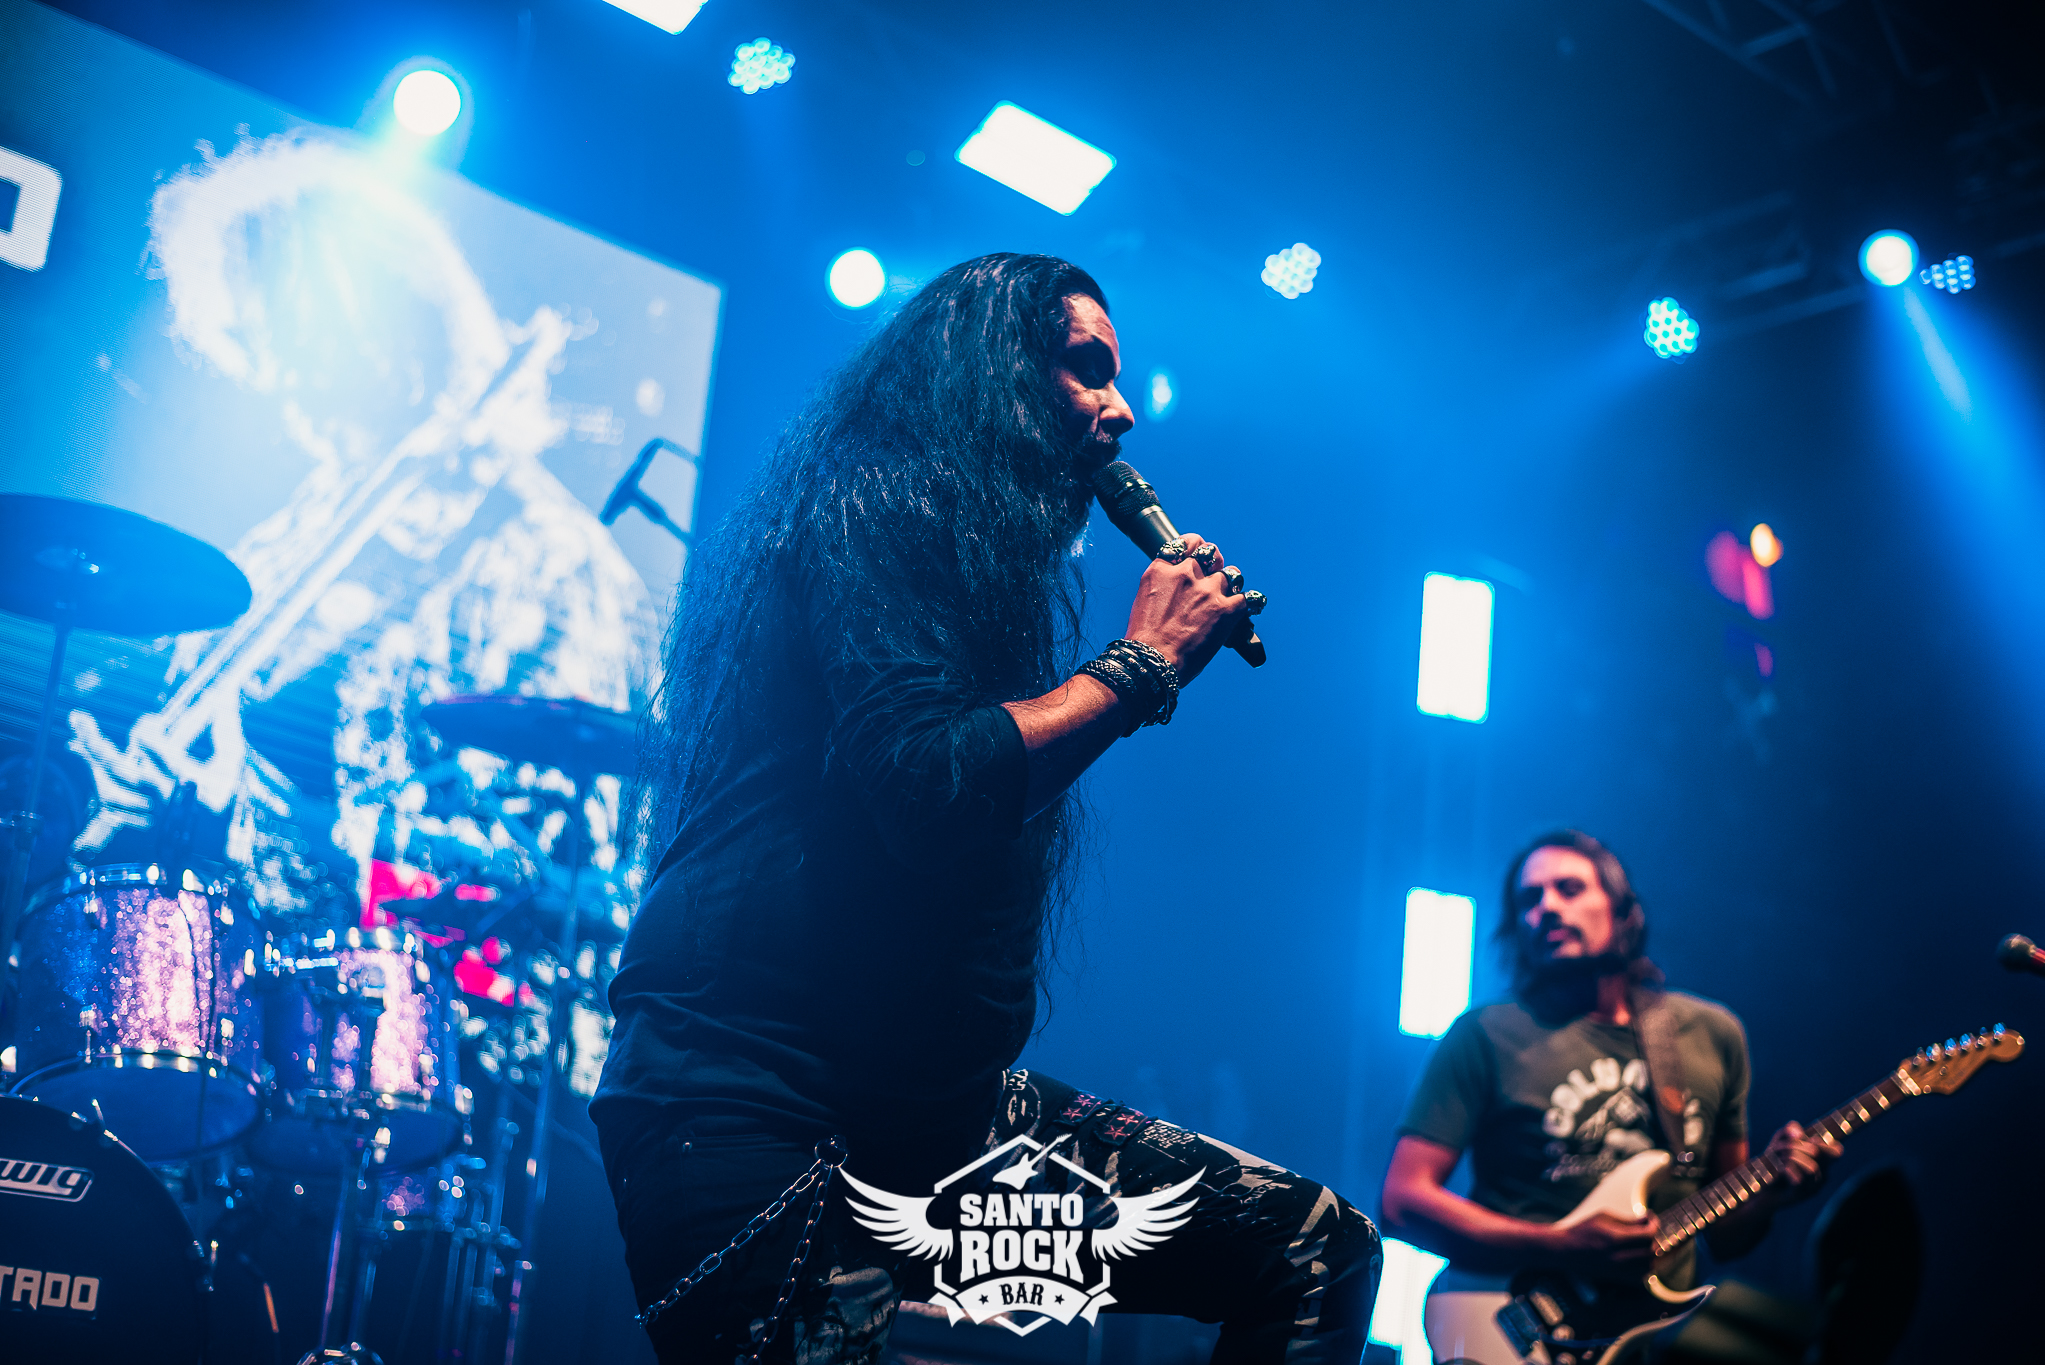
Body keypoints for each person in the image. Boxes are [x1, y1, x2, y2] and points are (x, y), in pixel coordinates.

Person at [592, 254, 1379, 1364]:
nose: (1121, 408)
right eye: (1086, 369)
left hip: (928, 1122)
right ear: (990, 373)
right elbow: (930, 783)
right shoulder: (871, 497)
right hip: (750, 1110)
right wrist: (1143, 663)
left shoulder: (974, 564)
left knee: (1307, 1244)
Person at [1379, 830, 1840, 1303]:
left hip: (1653, 1327)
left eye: (1570, 889)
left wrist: (1770, 1195)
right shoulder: (1483, 1034)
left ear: (1623, 911)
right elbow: (1401, 1202)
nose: (1547, 907)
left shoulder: (1712, 1034)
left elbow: (1726, 1238)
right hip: (1508, 1315)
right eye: (1529, 899)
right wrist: (1561, 1246)